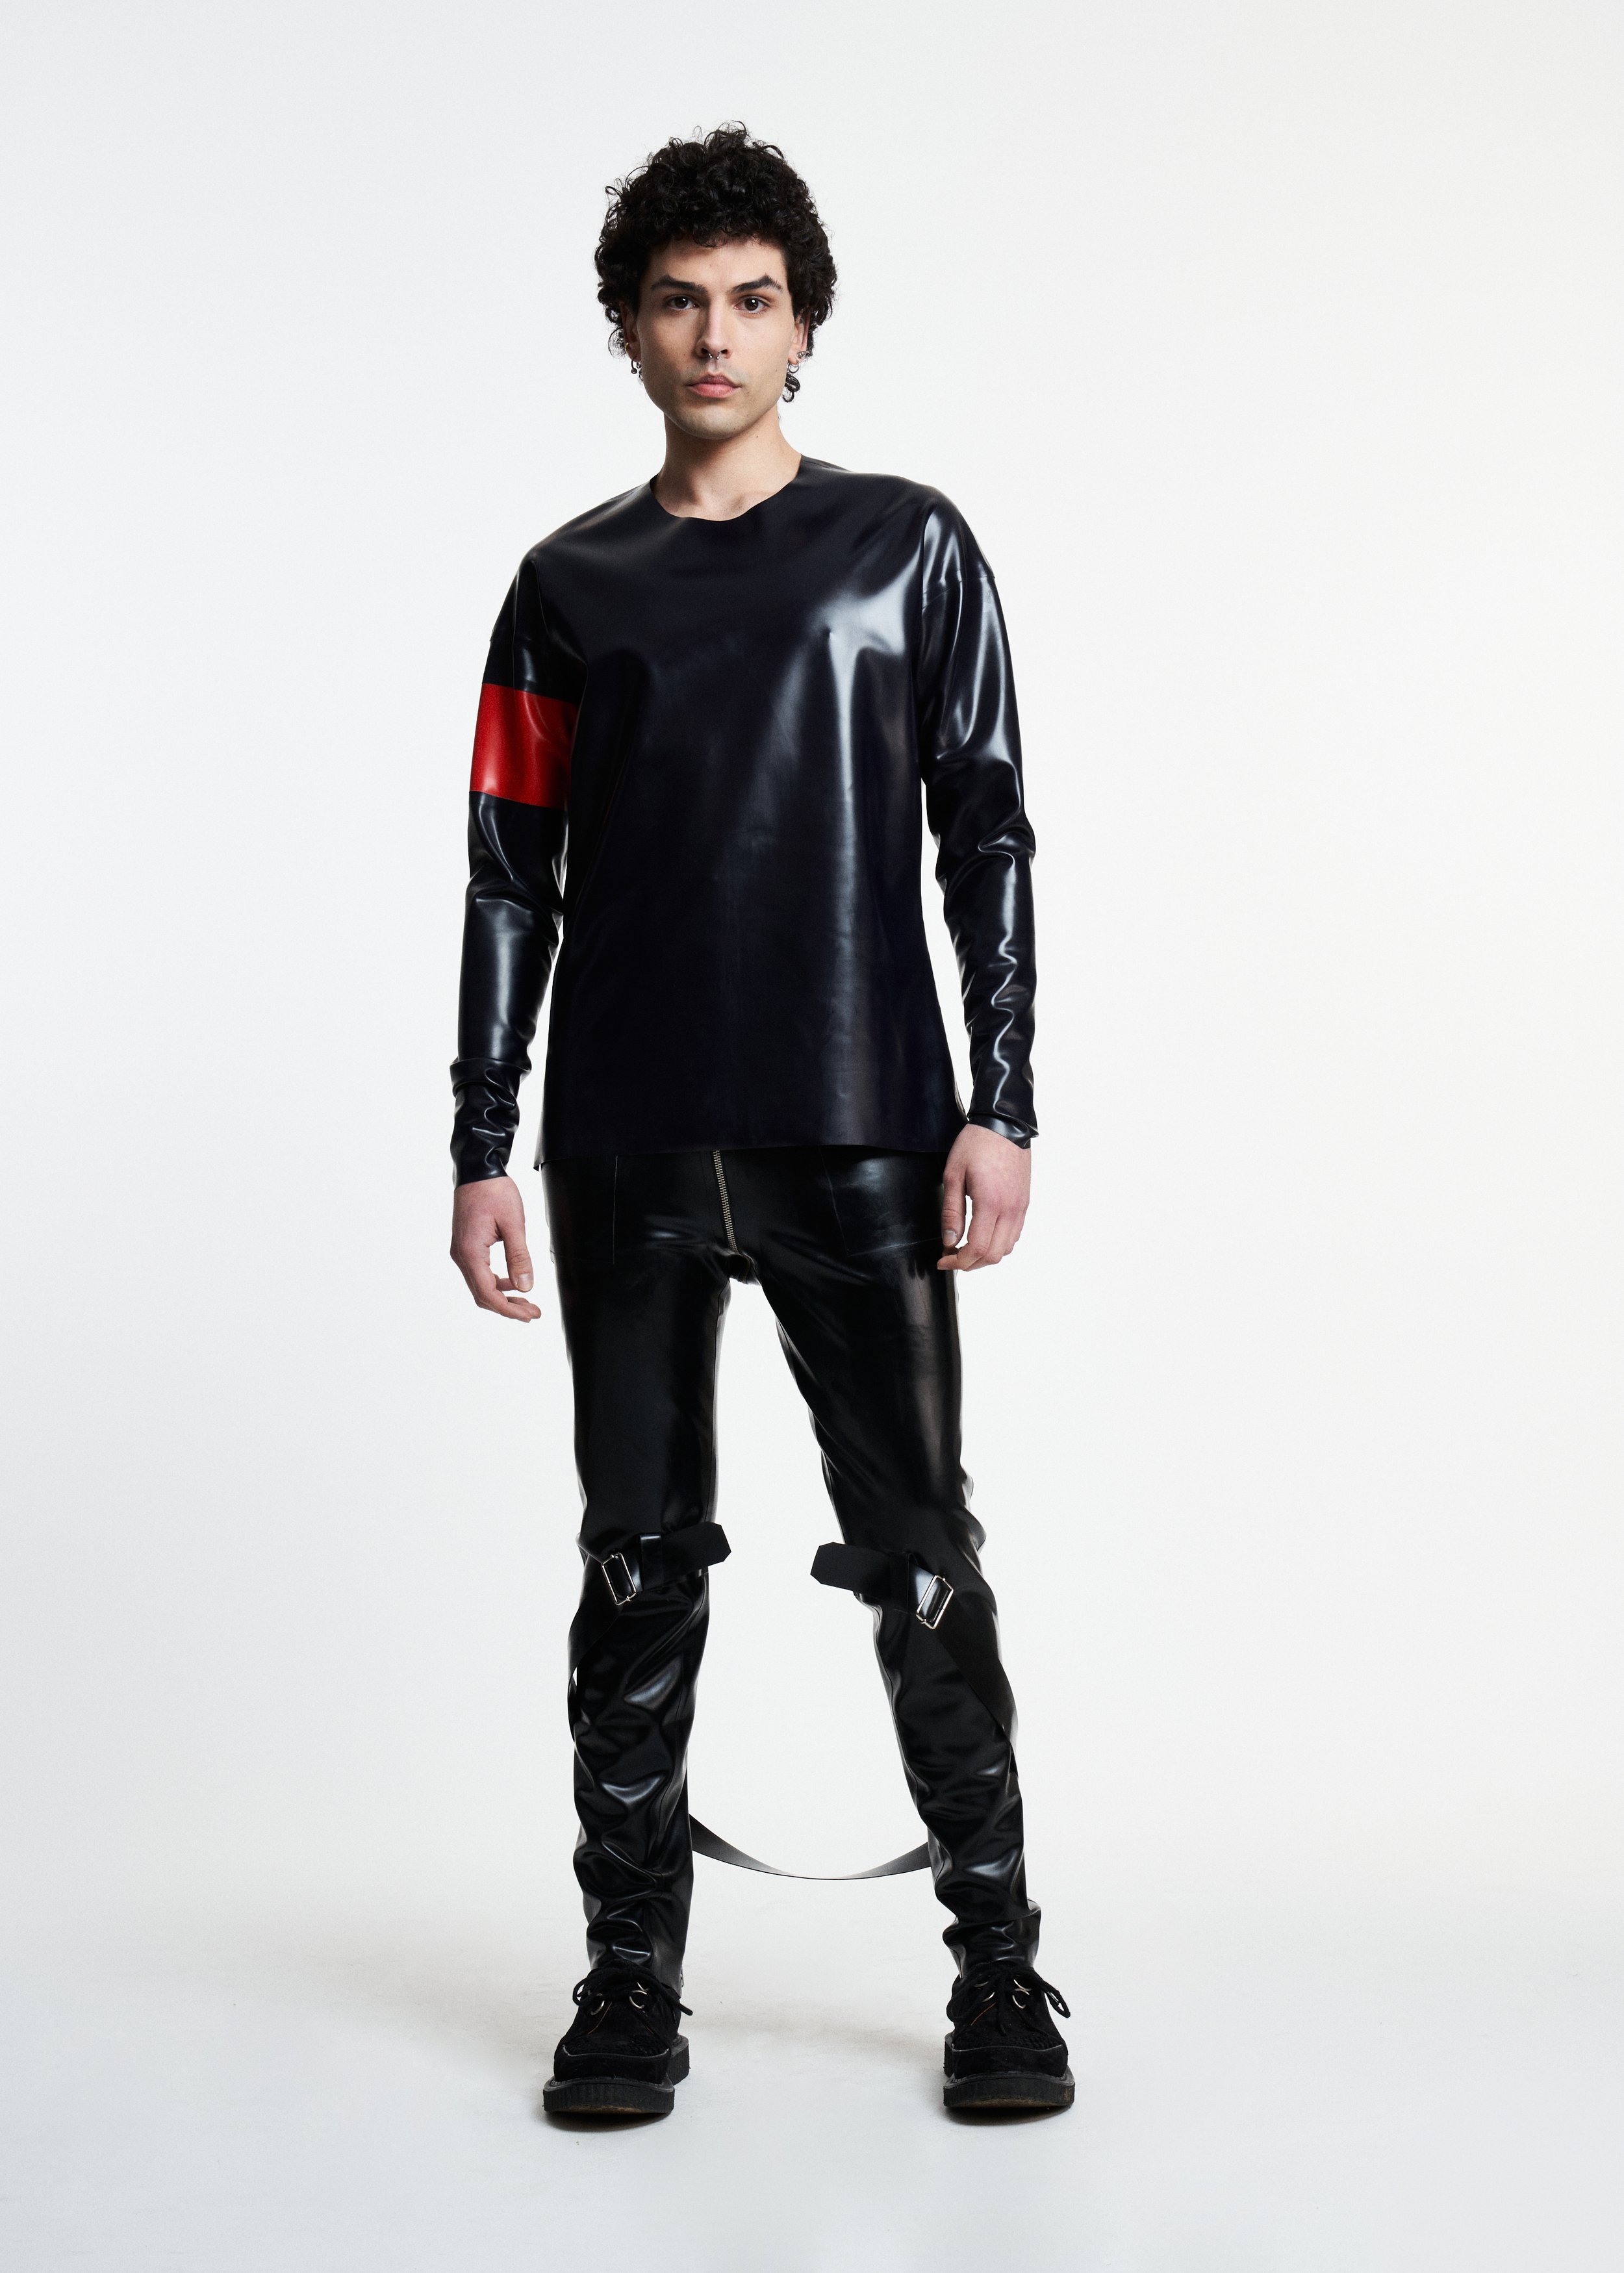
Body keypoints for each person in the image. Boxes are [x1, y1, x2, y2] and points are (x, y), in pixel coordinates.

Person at [449, 125, 1071, 2118]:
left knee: (918, 1552)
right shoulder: (565, 586)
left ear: (802, 326)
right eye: (677, 301)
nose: (714, 334)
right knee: (634, 1561)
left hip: (859, 1122)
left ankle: (999, 1970)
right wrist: (480, 1137)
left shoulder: (907, 549)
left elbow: (985, 830)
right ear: (629, 330)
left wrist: (1000, 1103)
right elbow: (509, 869)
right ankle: (629, 1977)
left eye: (751, 299)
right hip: (625, 1136)